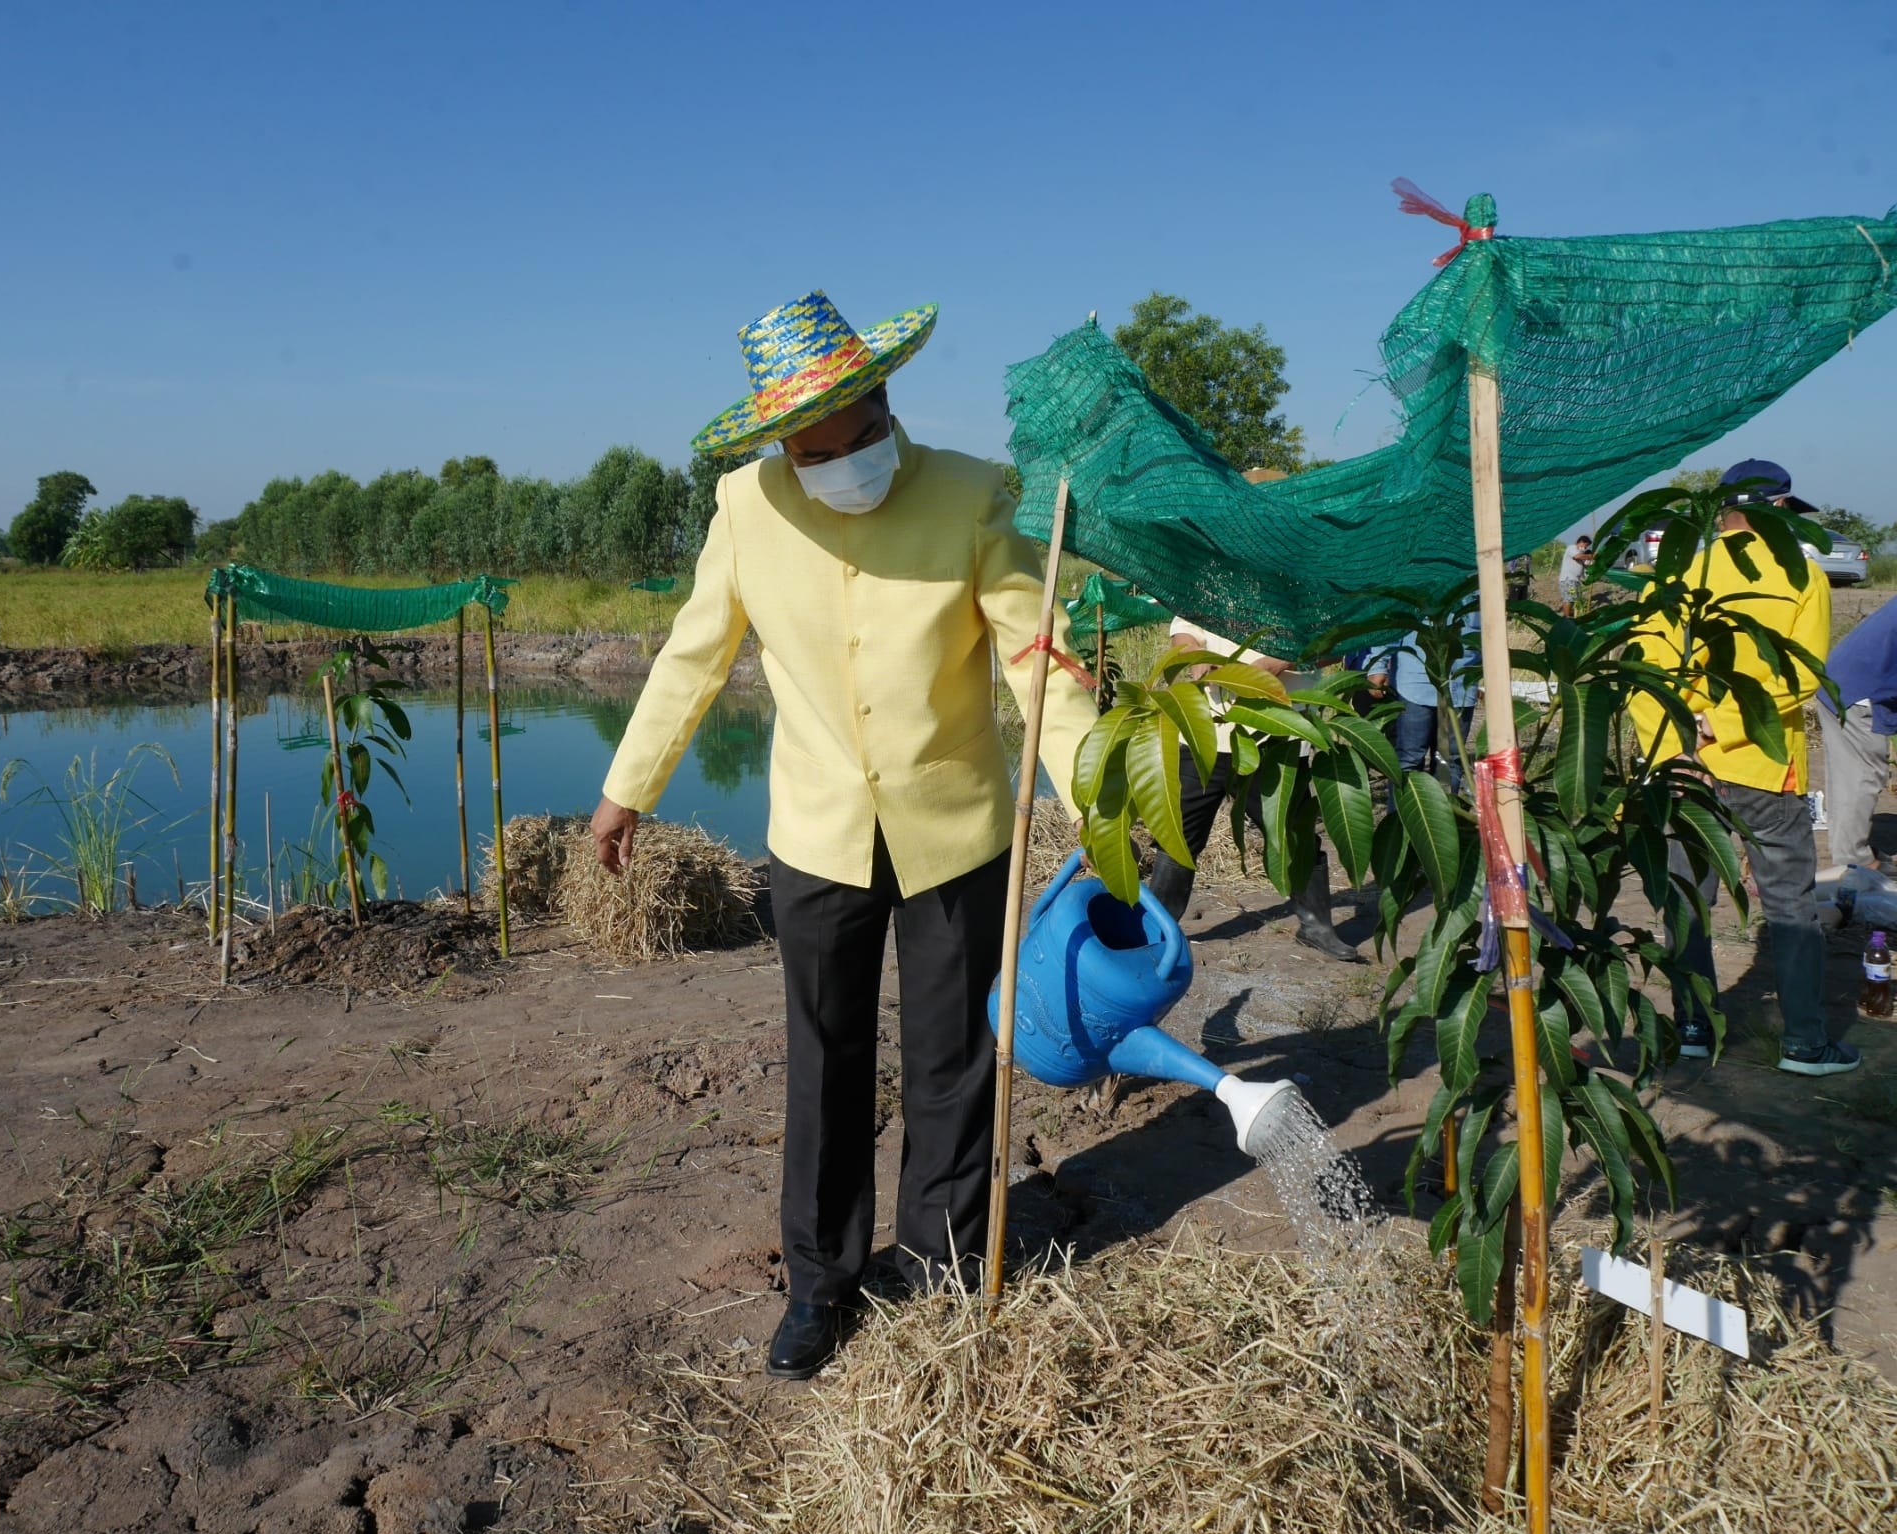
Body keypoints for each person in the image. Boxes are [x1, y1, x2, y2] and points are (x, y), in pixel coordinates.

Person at [590, 291, 1097, 1378]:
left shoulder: (971, 494)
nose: (844, 462)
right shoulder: (746, 507)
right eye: (816, 449)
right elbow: (693, 654)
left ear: (883, 396)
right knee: (823, 1064)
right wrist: (626, 788)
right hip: (815, 837)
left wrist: (1098, 802)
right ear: (780, 442)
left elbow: (1035, 660)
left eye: (860, 435)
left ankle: (942, 1257)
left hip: (953, 831)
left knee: (953, 1057)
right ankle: (819, 1283)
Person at [1627, 459, 1856, 1076]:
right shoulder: (1802, 574)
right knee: (1789, 901)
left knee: (1686, 898)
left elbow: (1642, 671)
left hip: (1681, 767)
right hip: (1761, 762)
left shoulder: (1675, 571)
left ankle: (1694, 1027)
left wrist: (1678, 740)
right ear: (1778, 509)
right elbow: (1799, 674)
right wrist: (1727, 728)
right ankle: (1806, 1042)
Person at [1146, 612, 1364, 962]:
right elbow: (1184, 632)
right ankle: (1155, 931)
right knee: (1178, 835)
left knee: (1294, 833)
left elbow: (1334, 647)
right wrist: (1194, 659)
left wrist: (1278, 663)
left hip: (1277, 735)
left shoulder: (1300, 586)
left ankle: (1317, 926)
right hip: (1205, 732)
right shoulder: (1210, 581)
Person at [1817, 591, 1897, 873]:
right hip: (1856, 691)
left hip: (1843, 681)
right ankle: (1854, 861)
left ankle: (1851, 852)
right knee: (1861, 776)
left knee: (1849, 777)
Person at [1366, 613, 1480, 794]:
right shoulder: (1415, 583)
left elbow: (1487, 626)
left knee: (1450, 761)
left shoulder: (1480, 586)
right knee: (1409, 759)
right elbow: (1393, 616)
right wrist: (1378, 664)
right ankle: (1404, 820)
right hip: (1416, 679)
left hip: (1461, 682)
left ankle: (1443, 819)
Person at [1557, 534, 1592, 616]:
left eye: (1587, 547)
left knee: (1574, 598)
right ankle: (1567, 617)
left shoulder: (1582, 554)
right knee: (1569, 598)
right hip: (1568, 579)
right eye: (1585, 545)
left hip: (1575, 580)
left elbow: (1586, 565)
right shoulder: (1572, 548)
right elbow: (1577, 557)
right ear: (1581, 542)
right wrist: (1590, 556)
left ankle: (1570, 614)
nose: (1585, 548)